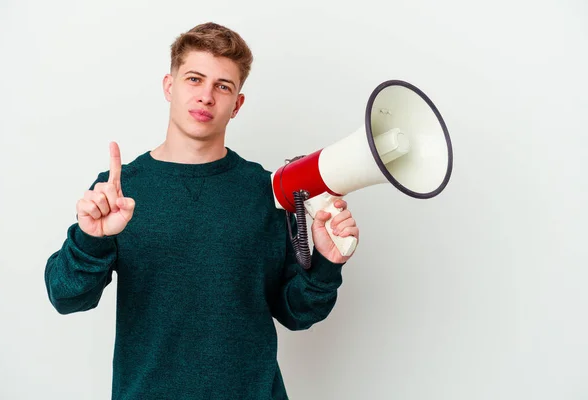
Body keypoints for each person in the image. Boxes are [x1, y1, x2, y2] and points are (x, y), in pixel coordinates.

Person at [44, 22, 359, 400]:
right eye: (194, 79)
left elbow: (296, 313)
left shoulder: (268, 190)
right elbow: (65, 296)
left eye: (223, 86)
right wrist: (90, 241)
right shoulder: (119, 190)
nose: (206, 96)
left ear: (237, 104)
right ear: (169, 86)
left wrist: (325, 264)